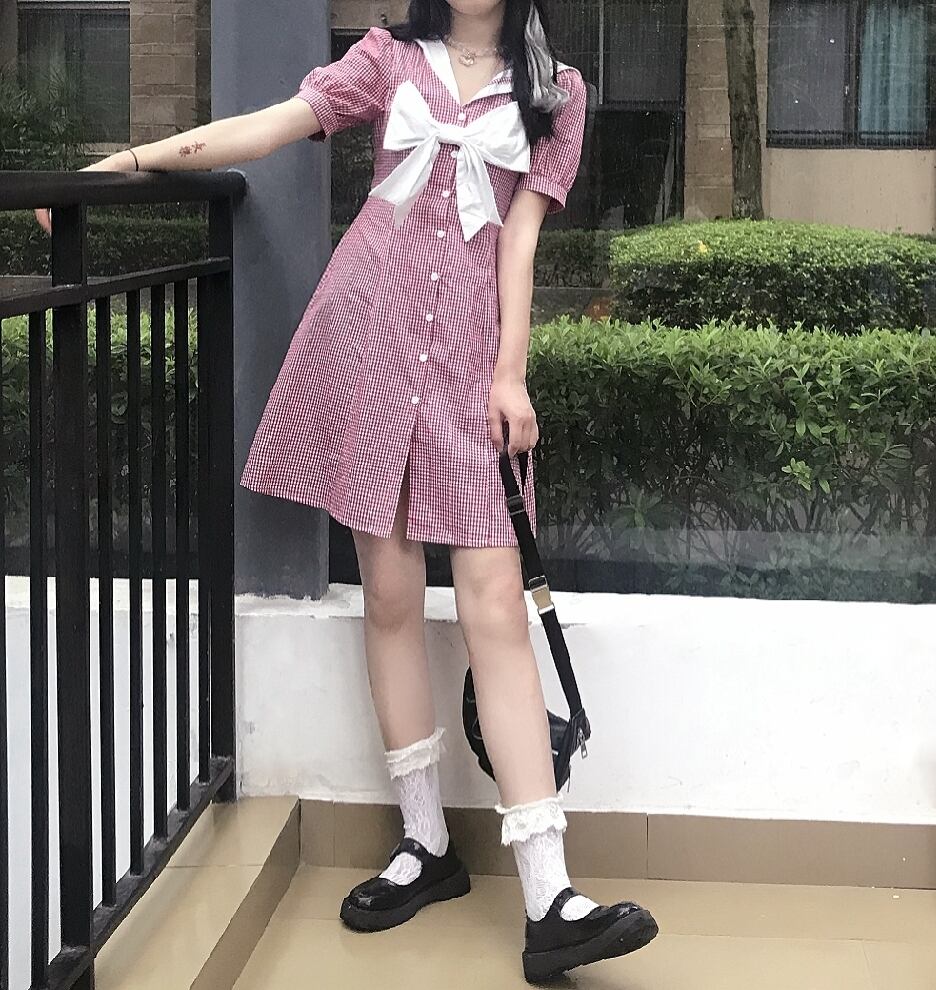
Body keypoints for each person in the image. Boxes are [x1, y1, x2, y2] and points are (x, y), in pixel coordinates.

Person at [39, 0, 658, 981]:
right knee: (392, 596)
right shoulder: (386, 59)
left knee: (497, 606)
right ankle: (424, 845)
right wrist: (126, 164)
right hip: (369, 346)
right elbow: (271, 126)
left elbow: (521, 239)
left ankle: (551, 897)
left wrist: (510, 373)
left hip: (469, 373)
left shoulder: (556, 92)